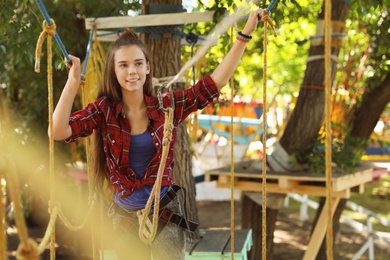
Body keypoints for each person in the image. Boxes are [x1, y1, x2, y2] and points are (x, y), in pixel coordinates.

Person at [51, 7, 264, 260]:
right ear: (114, 71)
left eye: (138, 63)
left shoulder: (166, 107)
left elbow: (213, 84)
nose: (132, 71)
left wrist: (245, 35)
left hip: (165, 210)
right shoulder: (104, 111)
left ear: (148, 67)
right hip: (124, 216)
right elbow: (58, 131)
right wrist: (72, 83)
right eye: (124, 65)